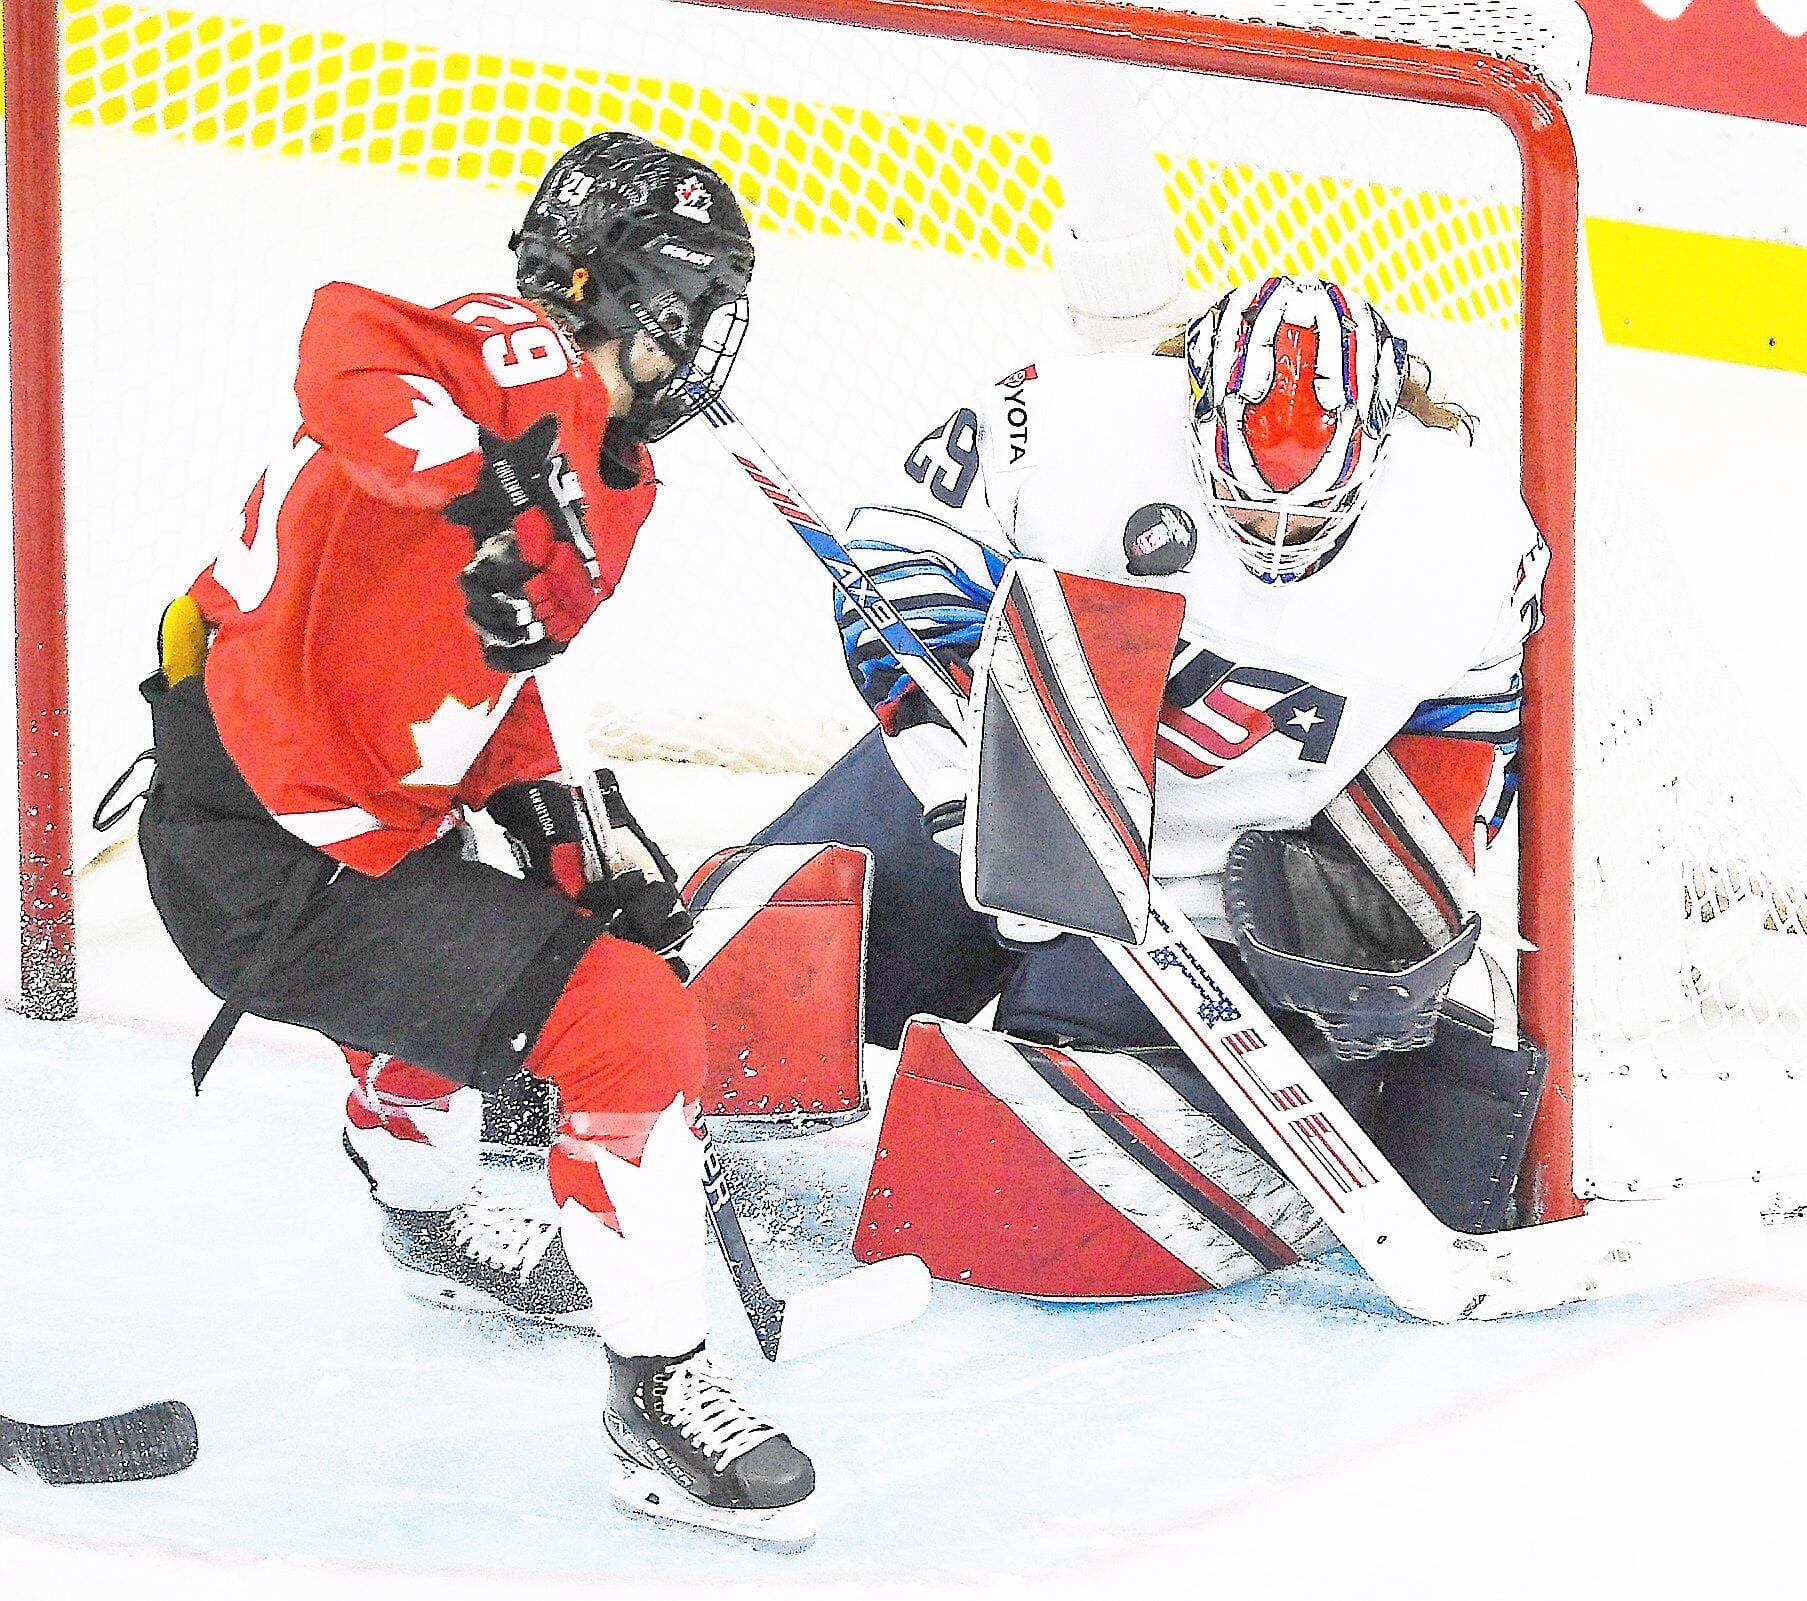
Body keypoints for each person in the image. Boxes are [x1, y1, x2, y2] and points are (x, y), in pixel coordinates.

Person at [135, 131, 817, 1544]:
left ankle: (427, 1219)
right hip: (275, 846)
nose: (700, 347)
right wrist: (493, 486)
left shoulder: (610, 478)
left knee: (516, 924)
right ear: (626, 291)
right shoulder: (522, 356)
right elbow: (343, 345)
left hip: (301, 824)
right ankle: (659, 1400)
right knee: (627, 1027)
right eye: (693, 306)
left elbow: (477, 665)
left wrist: (558, 829)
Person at [756, 274, 1552, 1295]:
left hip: (1200, 896)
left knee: (1014, 1183)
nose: (1269, 534)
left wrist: (1390, 905)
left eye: (1305, 514)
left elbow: (1471, 730)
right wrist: (960, 777)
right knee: (752, 996)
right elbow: (895, 554)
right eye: (1242, 497)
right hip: (993, 779)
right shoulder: (1060, 420)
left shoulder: (1472, 535)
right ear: (1193, 412)